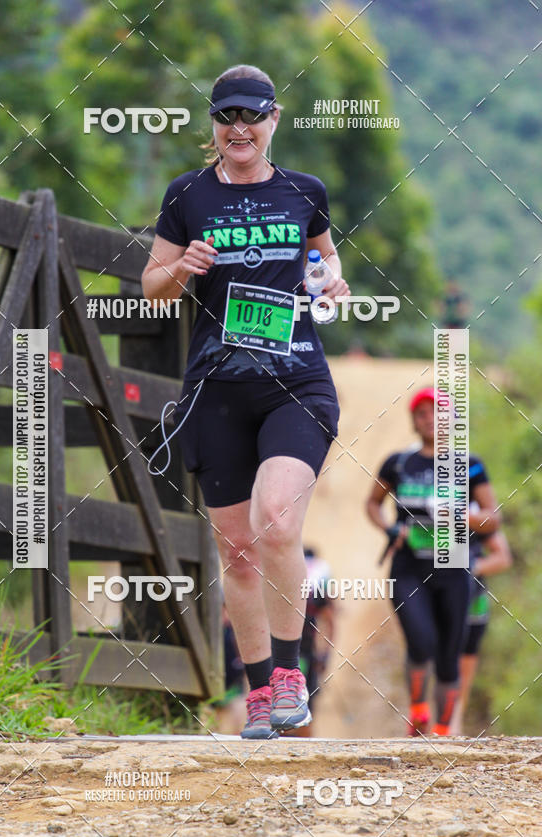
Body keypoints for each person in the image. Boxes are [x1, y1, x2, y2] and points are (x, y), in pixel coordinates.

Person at [142, 64, 350, 739]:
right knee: (237, 550)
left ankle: (291, 676)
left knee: (278, 522)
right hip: (217, 387)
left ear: (273, 120)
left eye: (251, 116)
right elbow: (151, 287)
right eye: (227, 116)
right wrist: (183, 267)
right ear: (213, 125)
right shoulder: (188, 196)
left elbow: (326, 261)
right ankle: (259, 691)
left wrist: (330, 283)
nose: (239, 128)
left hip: (295, 379)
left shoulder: (303, 191)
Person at [365, 387, 501, 736]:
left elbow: (493, 518)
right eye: (422, 413)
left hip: (455, 568)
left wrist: (458, 515)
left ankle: (442, 733)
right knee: (421, 639)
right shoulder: (399, 463)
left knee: (448, 656)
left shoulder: (470, 465)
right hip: (409, 567)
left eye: (438, 413)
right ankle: (419, 712)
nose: (430, 420)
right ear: (413, 421)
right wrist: (391, 527)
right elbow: (372, 503)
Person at [450, 520, 512, 734]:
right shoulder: (428, 510)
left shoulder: (476, 515)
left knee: (463, 671)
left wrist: (470, 567)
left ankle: (451, 730)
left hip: (472, 602)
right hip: (441, 603)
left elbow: (502, 557)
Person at [296, 547, 335, 736]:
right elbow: (329, 623)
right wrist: (325, 655)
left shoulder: (291, 573)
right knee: (308, 699)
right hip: (309, 648)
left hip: (287, 648)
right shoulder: (321, 573)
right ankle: (304, 737)